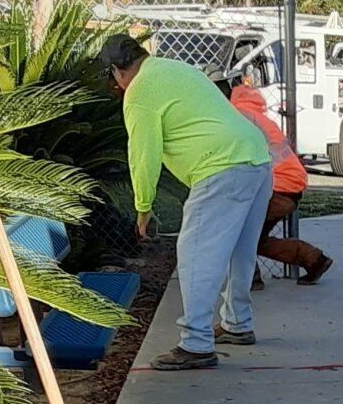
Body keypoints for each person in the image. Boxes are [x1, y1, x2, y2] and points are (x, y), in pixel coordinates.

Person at [101, 33, 272, 371]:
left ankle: (196, 343)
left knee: (196, 252)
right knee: (240, 250)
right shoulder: (174, 68)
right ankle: (238, 324)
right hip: (256, 158)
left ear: (118, 71)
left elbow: (143, 153)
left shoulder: (139, 92)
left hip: (220, 167)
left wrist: (143, 206)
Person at [228, 81, 334, 287]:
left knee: (241, 234)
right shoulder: (261, 118)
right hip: (289, 185)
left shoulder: (238, 118)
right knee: (255, 238)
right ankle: (314, 260)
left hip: (276, 187)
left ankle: (250, 279)